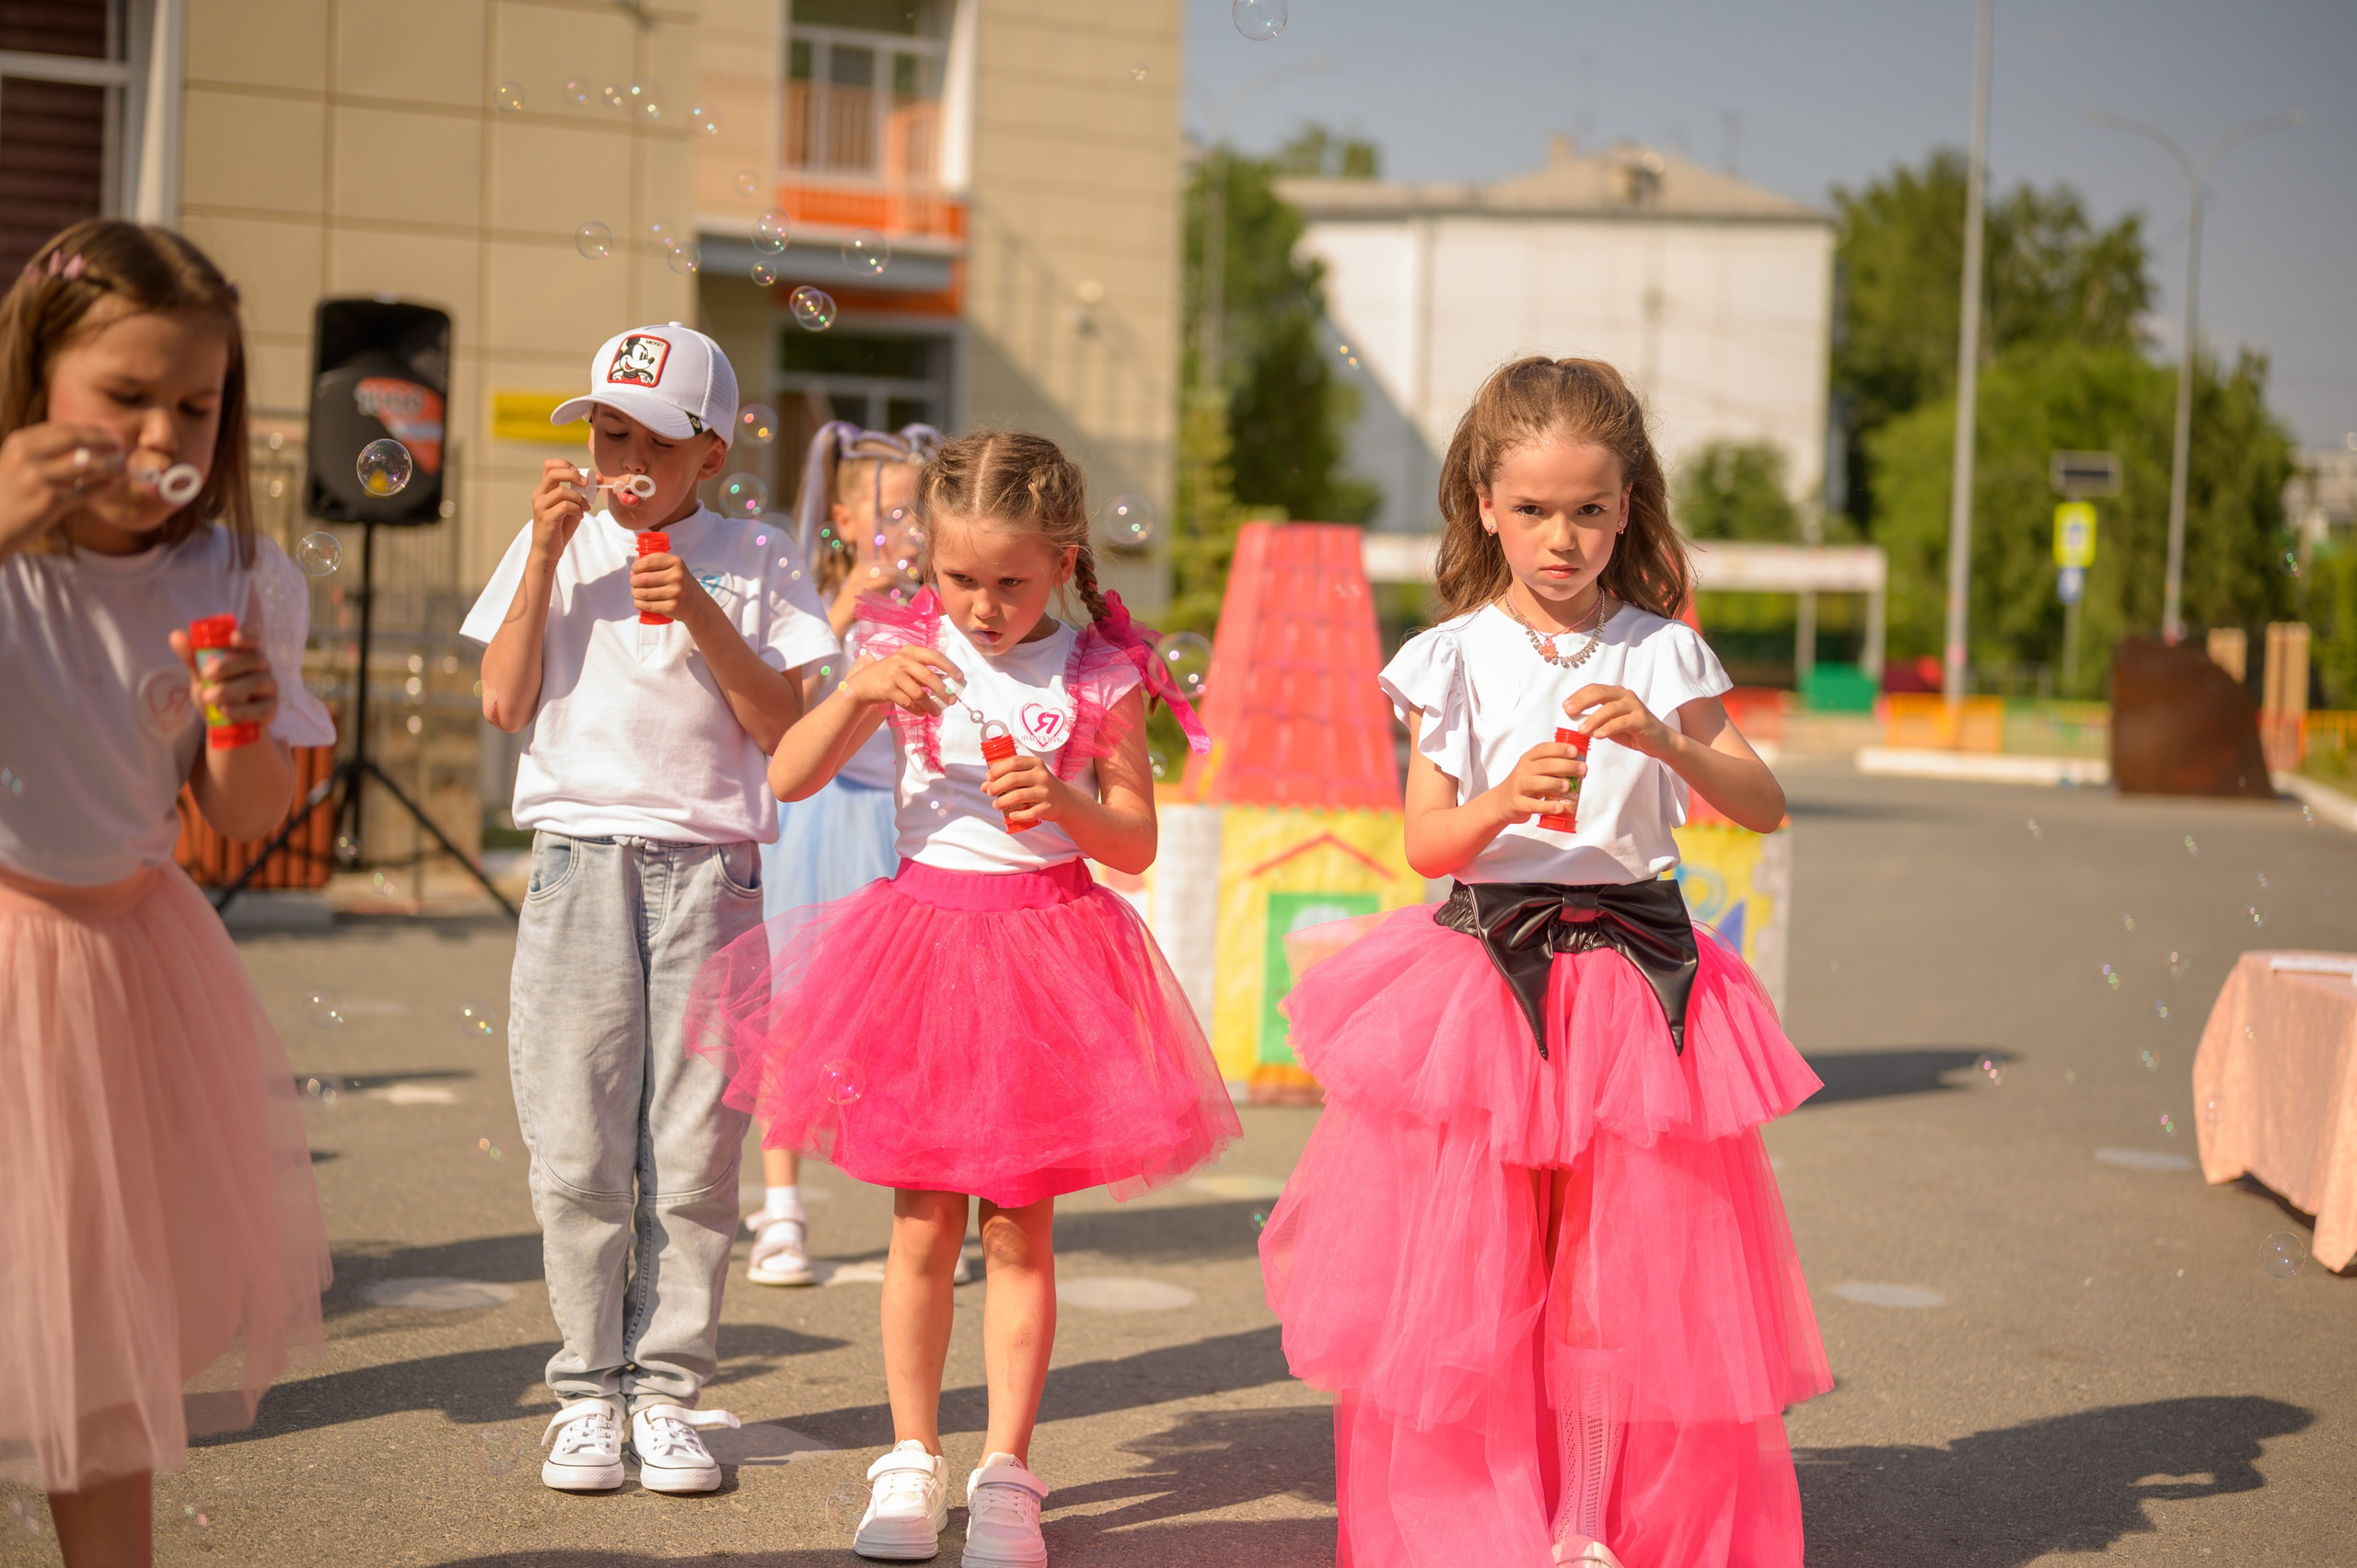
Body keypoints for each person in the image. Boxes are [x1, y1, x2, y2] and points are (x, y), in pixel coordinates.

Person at [1258, 357, 1831, 1568]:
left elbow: (1762, 802)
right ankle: (1484, 1516)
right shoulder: (1451, 656)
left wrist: (1673, 743)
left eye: (1587, 507)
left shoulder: (1667, 650)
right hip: (1487, 980)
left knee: (1614, 1277)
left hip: (1634, 979)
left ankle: (1588, 1519)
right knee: (1476, 1272)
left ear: (1628, 506)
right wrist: (1506, 795)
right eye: (1532, 508)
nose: (1560, 536)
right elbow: (1424, 840)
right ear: (1483, 504)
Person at [686, 430, 1238, 1567]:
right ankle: (909, 1453)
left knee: (1020, 1229)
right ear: (925, 562)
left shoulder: (1099, 671)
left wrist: (1062, 806)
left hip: (1047, 950)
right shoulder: (897, 642)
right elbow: (786, 772)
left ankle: (1006, 1469)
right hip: (922, 952)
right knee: (921, 1223)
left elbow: (1132, 842)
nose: (982, 606)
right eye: (958, 577)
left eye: (1010, 581)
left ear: (1062, 562)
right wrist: (856, 689)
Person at [0, 219, 334, 1567]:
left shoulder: (234, 578)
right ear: (35, 387)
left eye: (192, 404)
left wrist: (245, 730)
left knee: (97, 1325)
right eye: (123, 396)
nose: (159, 435)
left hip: (121, 969)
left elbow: (242, 823)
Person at [462, 323, 839, 1496]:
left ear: (707, 452)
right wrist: (541, 560)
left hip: (712, 875)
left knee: (693, 1148)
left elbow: (787, 730)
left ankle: (667, 1391)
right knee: (576, 1140)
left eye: (645, 437)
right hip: (578, 862)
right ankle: (586, 1390)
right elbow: (503, 697)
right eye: (603, 429)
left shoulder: (758, 553)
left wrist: (704, 614)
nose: (616, 454)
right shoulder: (557, 543)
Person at [748, 421, 943, 1290]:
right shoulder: (811, 600)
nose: (902, 531)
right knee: (792, 1021)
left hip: (891, 829)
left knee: (903, 1030)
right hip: (816, 821)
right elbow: (787, 713)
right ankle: (781, 1211)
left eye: (916, 513)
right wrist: (845, 607)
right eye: (888, 512)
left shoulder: (936, 608)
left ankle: (928, 1208)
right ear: (840, 517)